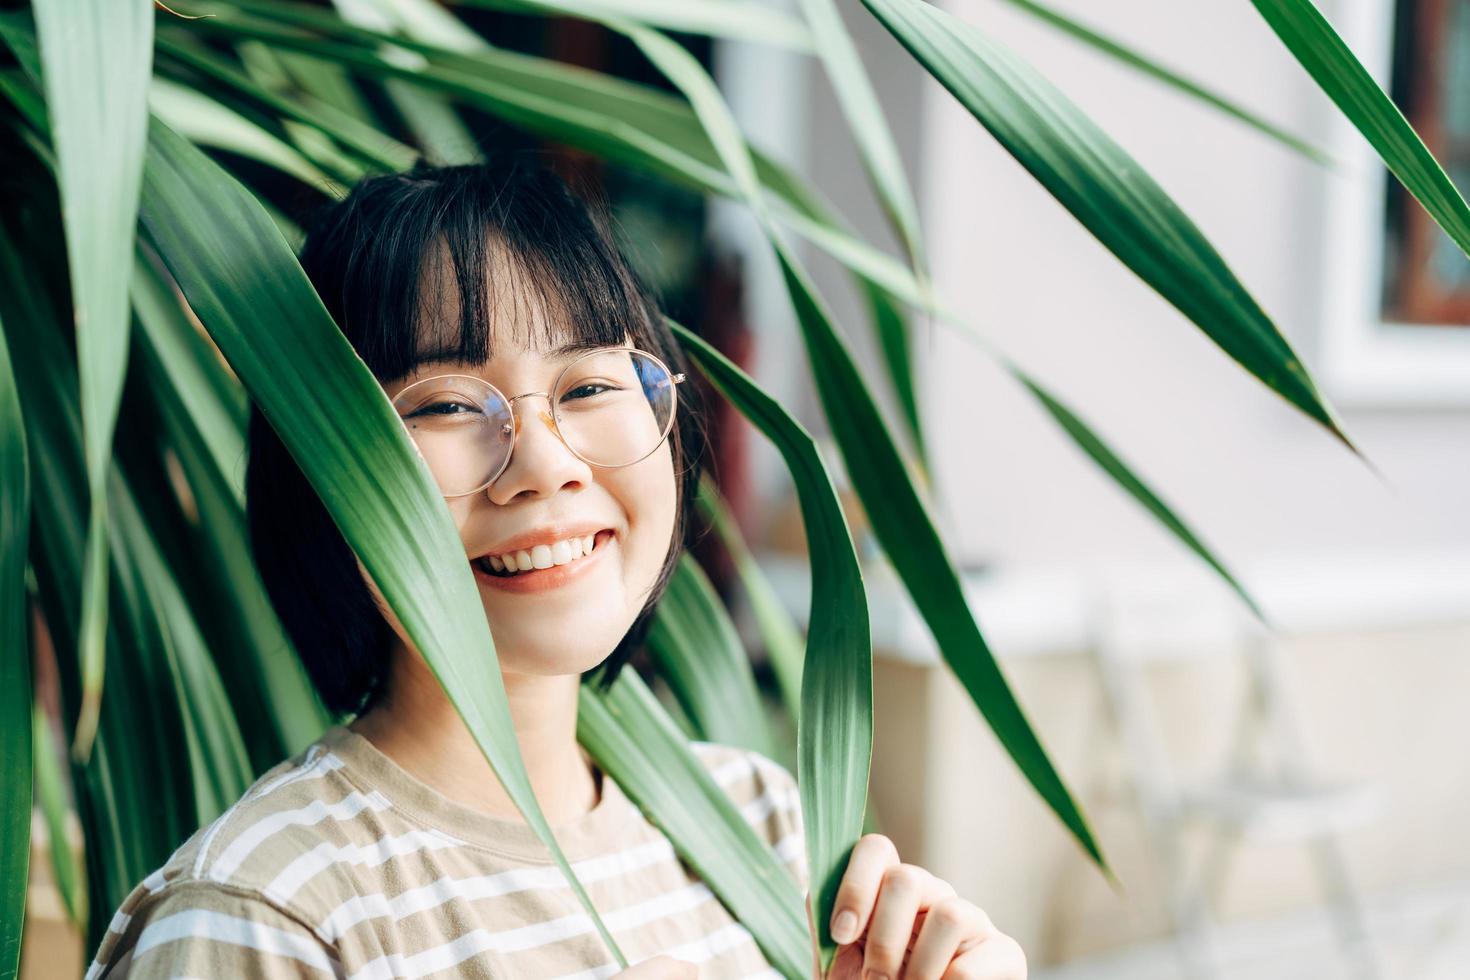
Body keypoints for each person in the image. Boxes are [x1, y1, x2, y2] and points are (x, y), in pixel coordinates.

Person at [85, 155, 1026, 979]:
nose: (546, 464)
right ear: (327, 471)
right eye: (448, 405)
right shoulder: (262, 914)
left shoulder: (765, 828)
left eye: (588, 386)